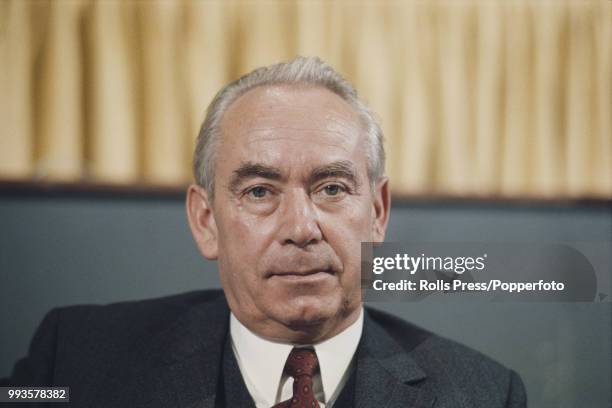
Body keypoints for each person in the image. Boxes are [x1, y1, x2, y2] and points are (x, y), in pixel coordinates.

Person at [8, 57, 526, 407]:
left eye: (331, 188)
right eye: (259, 191)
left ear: (378, 212)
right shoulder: (73, 365)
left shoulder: (482, 394)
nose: (301, 228)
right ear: (206, 221)